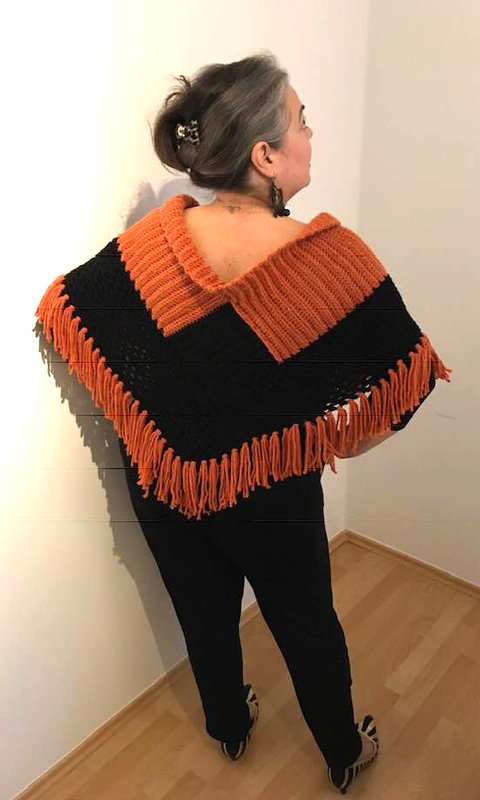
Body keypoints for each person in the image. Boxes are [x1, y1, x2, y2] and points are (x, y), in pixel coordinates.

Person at [35, 50, 451, 794]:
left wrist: (154, 422)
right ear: (265, 154)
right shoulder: (328, 258)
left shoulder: (151, 243)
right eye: (302, 121)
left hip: (163, 480)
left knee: (202, 612)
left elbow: (69, 312)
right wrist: (337, 441)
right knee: (305, 621)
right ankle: (342, 751)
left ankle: (228, 726)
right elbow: (411, 375)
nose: (311, 135)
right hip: (270, 491)